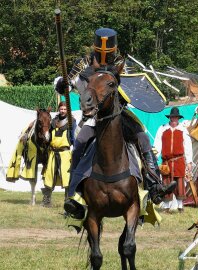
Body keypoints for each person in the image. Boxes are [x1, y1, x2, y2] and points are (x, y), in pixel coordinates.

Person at [56, 28, 176, 219]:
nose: (105, 55)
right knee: (79, 143)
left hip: (118, 115)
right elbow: (70, 82)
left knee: (143, 139)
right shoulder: (84, 62)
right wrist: (62, 85)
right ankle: (74, 195)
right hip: (94, 116)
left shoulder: (122, 64)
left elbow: (133, 89)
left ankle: (154, 185)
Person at [154, 107, 193, 213]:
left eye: (176, 117)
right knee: (166, 183)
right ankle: (166, 207)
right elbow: (157, 145)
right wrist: (154, 158)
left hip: (179, 160)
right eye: (172, 117)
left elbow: (188, 146)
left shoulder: (183, 130)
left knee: (179, 183)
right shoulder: (162, 129)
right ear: (170, 118)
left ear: (178, 118)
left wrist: (189, 161)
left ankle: (180, 207)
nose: (174, 119)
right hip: (166, 162)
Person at [41, 101, 76, 207]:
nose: (63, 111)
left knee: (66, 177)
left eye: (65, 109)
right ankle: (46, 201)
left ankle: (68, 202)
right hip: (52, 153)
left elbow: (73, 137)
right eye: (61, 109)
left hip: (65, 153)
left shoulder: (72, 121)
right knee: (49, 176)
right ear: (59, 109)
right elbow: (48, 135)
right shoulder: (53, 121)